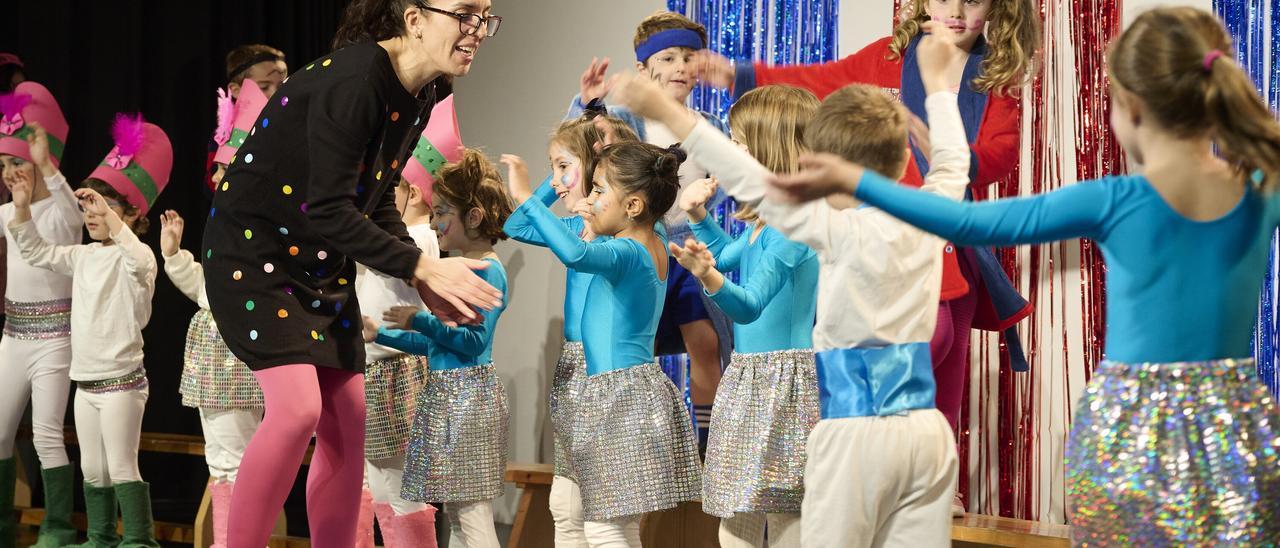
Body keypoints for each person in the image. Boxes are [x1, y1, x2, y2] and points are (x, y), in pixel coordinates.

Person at [771, 8, 1280, 544]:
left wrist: (860, 179)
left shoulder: (1114, 199)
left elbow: (965, 221)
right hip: (1235, 421)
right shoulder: (1261, 192)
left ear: (1129, 107)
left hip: (1130, 428)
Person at [610, 21, 971, 544]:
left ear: (825, 163)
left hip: (853, 431)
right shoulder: (929, 214)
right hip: (924, 434)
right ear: (902, 159)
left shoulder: (825, 225)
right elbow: (953, 163)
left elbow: (751, 178)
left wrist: (668, 113)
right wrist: (937, 87)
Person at [201, 1, 505, 545]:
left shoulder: (425, 91)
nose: (477, 30)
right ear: (415, 19)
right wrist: (422, 266)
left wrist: (421, 277)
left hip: (317, 259)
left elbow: (374, 197)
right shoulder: (360, 79)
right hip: (253, 253)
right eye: (464, 13)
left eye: (485, 16)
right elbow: (328, 209)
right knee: (297, 412)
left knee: (347, 420)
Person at [507, 142, 702, 547]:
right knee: (616, 524)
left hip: (620, 396)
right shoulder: (654, 240)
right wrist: (594, 223)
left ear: (632, 206)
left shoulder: (627, 251)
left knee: (604, 527)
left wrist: (528, 196)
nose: (590, 200)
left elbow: (576, 254)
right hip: (630, 391)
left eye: (598, 191)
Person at [667, 85, 822, 548]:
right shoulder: (765, 223)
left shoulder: (793, 228)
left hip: (781, 384)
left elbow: (749, 303)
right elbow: (726, 256)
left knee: (784, 514)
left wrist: (706, 276)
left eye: (737, 144)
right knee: (738, 516)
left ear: (768, 152)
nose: (729, 153)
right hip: (753, 379)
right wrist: (697, 215)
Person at [11, 114, 172, 548]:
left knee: (121, 467)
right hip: (87, 385)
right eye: (87, 208)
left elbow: (138, 259)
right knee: (93, 470)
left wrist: (113, 220)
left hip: (121, 385)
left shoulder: (136, 259)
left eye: (103, 208)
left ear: (132, 213)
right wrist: (24, 208)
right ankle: (100, 538)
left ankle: (138, 540)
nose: (92, 216)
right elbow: (37, 251)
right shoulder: (83, 257)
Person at [500, 112, 639, 547]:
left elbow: (577, 252)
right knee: (566, 505)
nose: (557, 180)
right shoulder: (571, 229)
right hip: (573, 373)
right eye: (554, 167)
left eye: (563, 167)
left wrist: (531, 189)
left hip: (604, 375)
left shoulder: (618, 239)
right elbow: (516, 224)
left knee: (607, 512)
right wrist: (553, 180)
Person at [370, 148, 512, 548]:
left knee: (472, 512)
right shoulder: (463, 265)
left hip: (470, 399)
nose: (434, 223)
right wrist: (379, 333)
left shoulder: (489, 269)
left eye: (442, 212)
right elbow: (436, 343)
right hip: (447, 397)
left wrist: (420, 319)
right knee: (456, 512)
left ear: (474, 216)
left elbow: (473, 342)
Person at [0, 81, 77, 548]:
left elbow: (63, 196)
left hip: (55, 338)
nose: (11, 173)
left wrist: (45, 161)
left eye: (18, 164)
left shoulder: (64, 212)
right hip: (13, 337)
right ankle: (3, 526)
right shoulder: (5, 212)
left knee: (48, 436)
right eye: (5, 165)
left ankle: (58, 527)